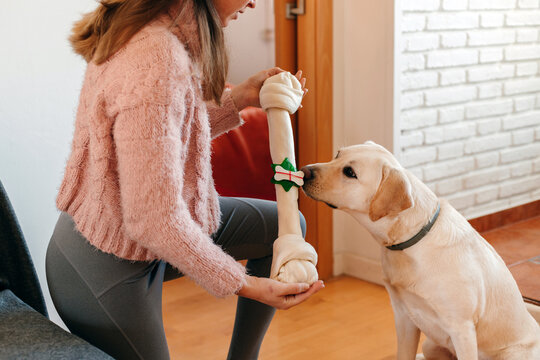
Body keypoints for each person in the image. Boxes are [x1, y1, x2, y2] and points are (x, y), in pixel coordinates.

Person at [45, 0, 324, 359]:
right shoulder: (157, 57)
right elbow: (154, 220)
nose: (255, 1)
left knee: (283, 227)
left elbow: (162, 137)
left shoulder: (155, 34)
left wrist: (239, 99)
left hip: (131, 235)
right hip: (102, 266)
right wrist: (246, 284)